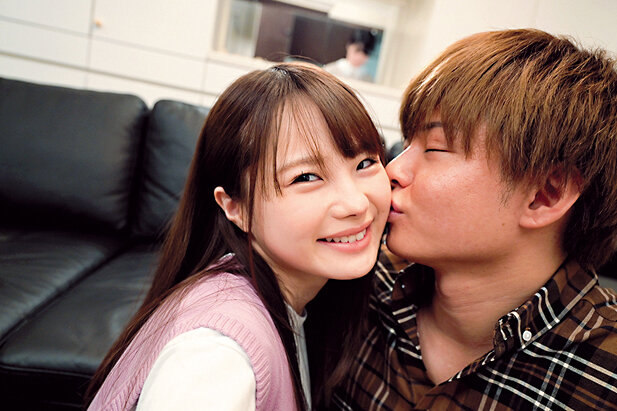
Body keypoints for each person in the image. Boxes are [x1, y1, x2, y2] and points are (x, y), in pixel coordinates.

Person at [333, 29, 617, 410]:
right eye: (407, 143)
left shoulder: (604, 376)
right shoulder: (359, 282)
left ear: (545, 194)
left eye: (435, 148)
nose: (392, 171)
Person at [85, 62, 391, 410]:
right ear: (235, 206)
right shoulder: (214, 357)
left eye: (365, 163)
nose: (356, 203)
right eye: (306, 177)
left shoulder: (297, 303)